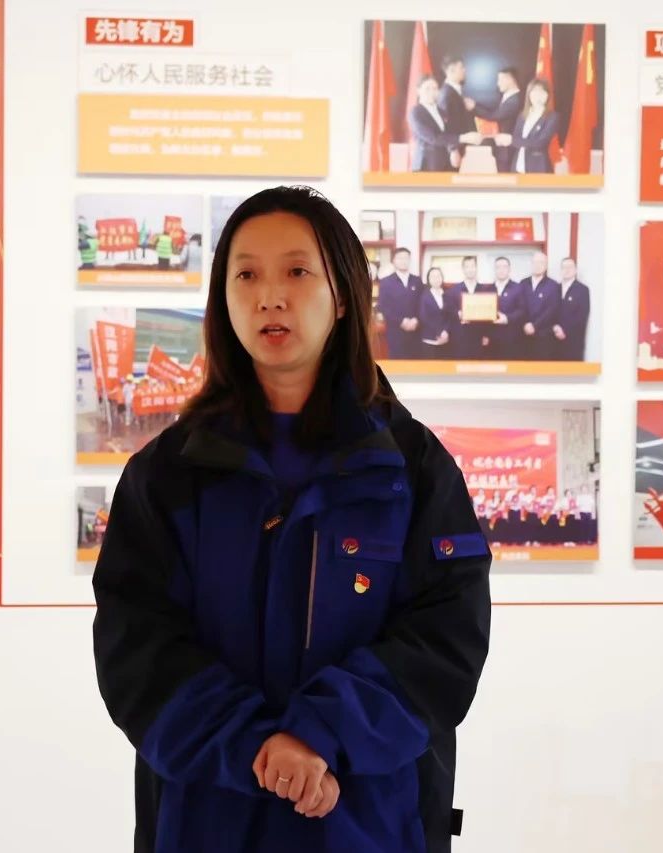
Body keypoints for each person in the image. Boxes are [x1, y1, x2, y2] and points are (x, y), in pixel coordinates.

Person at [92, 185, 491, 853]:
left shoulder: (411, 468)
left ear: (343, 296)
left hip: (368, 823)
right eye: (246, 275)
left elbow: (446, 637)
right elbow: (137, 646)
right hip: (206, 821)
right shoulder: (167, 475)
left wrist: (321, 735)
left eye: (297, 272)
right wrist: (258, 747)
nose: (269, 296)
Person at [409, 76, 480, 172]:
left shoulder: (441, 111)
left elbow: (447, 133)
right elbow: (433, 137)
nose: (431, 92)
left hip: (444, 163)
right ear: (418, 90)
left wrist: (453, 150)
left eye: (435, 88)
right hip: (426, 165)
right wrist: (463, 138)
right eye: (427, 88)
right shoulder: (416, 113)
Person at [494, 78, 560, 174]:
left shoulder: (552, 117)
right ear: (529, 95)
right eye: (535, 92)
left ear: (548, 96)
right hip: (518, 166)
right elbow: (516, 138)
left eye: (542, 92)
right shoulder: (522, 115)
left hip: (538, 169)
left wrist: (512, 140)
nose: (538, 96)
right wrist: (505, 141)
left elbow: (541, 143)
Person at [472, 67, 524, 172]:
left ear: (510, 79)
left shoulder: (515, 100)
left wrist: (473, 107)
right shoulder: (509, 97)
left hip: (508, 149)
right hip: (503, 148)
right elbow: (493, 110)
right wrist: (476, 104)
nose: (498, 83)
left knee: (506, 178)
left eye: (500, 80)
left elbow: (494, 116)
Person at [376, 248, 422, 359]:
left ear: (409, 260)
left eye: (406, 258)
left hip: (416, 330)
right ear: (394, 261)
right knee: (397, 364)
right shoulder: (386, 282)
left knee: (416, 364)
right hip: (395, 332)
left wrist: (416, 320)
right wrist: (401, 321)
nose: (403, 261)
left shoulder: (417, 280)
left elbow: (422, 304)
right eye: (400, 258)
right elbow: (383, 306)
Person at [437, 56, 482, 166]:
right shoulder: (447, 94)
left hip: (463, 145)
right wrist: (453, 149)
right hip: (455, 150)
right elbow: (446, 125)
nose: (464, 70)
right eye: (461, 67)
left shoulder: (455, 91)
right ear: (451, 70)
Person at [523, 251, 561, 361]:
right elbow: (520, 307)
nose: (538, 265)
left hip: (544, 337)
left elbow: (552, 310)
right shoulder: (523, 283)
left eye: (541, 262)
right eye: (535, 262)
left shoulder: (553, 285)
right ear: (531, 264)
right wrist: (525, 324)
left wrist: (534, 325)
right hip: (523, 335)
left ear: (546, 266)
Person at [490, 257, 529, 361]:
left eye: (504, 267)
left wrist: (507, 318)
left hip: (512, 339)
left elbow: (523, 310)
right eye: (498, 267)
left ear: (509, 269)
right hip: (492, 340)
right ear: (495, 270)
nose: (501, 270)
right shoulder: (488, 289)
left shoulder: (518, 288)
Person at [554, 257, 592, 361]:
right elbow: (550, 311)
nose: (566, 270)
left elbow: (582, 316)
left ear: (575, 270)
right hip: (554, 340)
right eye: (564, 267)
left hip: (573, 341)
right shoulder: (555, 288)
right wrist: (555, 327)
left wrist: (564, 330)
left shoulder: (582, 290)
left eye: (570, 267)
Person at [418, 266, 453, 359]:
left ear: (442, 278)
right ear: (428, 279)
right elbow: (424, 317)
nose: (436, 279)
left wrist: (446, 331)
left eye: (438, 276)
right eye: (433, 276)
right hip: (430, 340)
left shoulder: (447, 294)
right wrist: (439, 332)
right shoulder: (424, 296)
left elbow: (450, 316)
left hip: (445, 339)